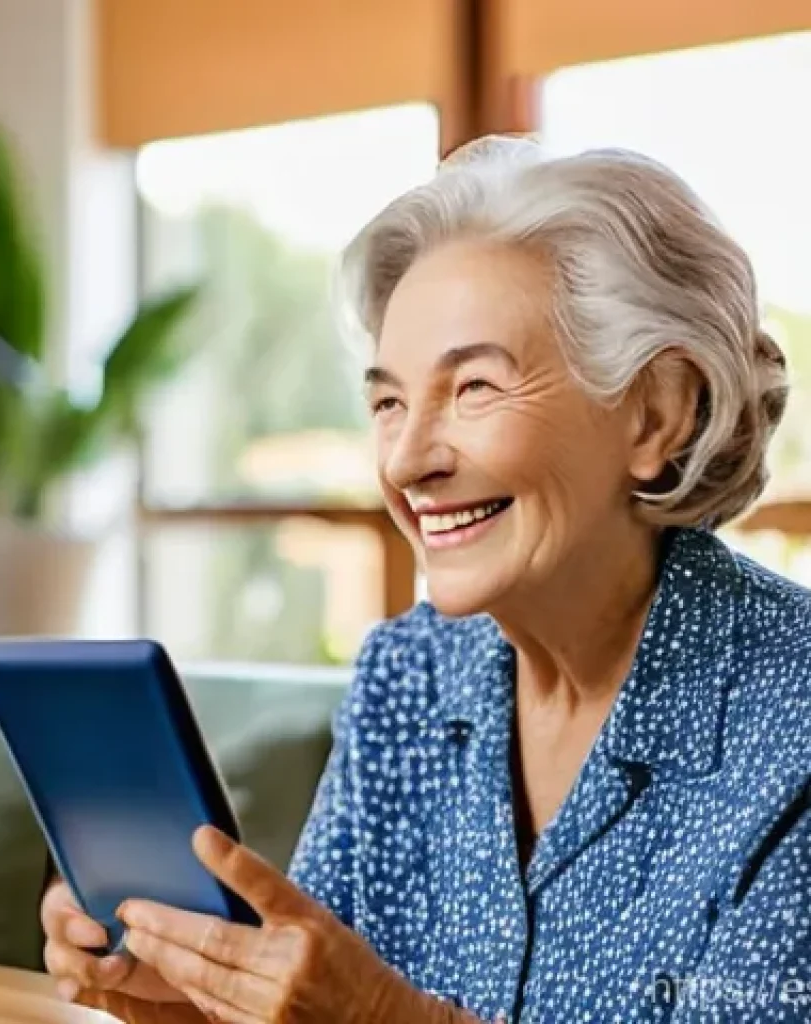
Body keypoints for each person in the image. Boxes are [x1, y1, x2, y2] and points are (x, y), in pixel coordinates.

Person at [40, 136, 811, 1023]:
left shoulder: (791, 722)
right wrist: (187, 995)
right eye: (388, 402)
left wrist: (383, 1019)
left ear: (657, 413)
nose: (405, 461)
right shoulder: (406, 674)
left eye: (474, 388)